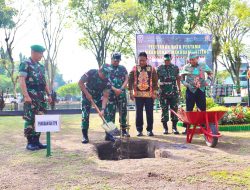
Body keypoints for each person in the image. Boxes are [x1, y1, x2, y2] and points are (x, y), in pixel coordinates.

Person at [19, 45, 52, 151]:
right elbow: (22, 80)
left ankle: (37, 141)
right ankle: (30, 142)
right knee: (30, 118)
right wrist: (26, 95)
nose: (42, 56)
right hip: (31, 96)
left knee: (40, 118)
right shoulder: (25, 64)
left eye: (42, 53)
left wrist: (49, 94)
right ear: (33, 52)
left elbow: (44, 82)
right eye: (40, 53)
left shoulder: (41, 66)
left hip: (41, 96)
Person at [78, 64, 112, 143]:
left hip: (98, 96)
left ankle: (108, 134)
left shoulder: (108, 82)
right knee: (85, 114)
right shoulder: (91, 73)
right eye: (104, 74)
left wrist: (103, 109)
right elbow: (80, 83)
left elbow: (106, 96)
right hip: (86, 94)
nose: (105, 76)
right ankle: (85, 136)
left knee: (106, 112)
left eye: (107, 75)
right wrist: (87, 94)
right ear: (100, 71)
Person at [181, 53, 212, 134]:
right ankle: (187, 128)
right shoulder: (186, 67)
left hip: (201, 89)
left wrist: (208, 81)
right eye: (190, 60)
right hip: (190, 90)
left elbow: (210, 73)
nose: (191, 61)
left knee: (202, 108)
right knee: (189, 109)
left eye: (193, 59)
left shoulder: (203, 65)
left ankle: (204, 126)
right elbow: (182, 78)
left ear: (197, 58)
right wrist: (186, 84)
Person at [128, 52, 158, 136]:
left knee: (149, 113)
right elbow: (130, 81)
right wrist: (131, 92)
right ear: (138, 60)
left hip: (149, 95)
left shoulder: (152, 69)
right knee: (139, 113)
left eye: (143, 60)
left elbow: (156, 82)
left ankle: (149, 130)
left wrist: (155, 93)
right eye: (140, 60)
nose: (141, 62)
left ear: (146, 60)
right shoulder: (134, 69)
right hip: (138, 95)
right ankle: (139, 130)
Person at [104, 52, 130, 137]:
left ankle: (124, 131)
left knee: (123, 113)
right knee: (110, 114)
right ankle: (109, 133)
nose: (116, 62)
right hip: (110, 95)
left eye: (118, 60)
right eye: (115, 60)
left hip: (121, 94)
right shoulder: (107, 68)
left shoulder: (122, 68)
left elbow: (126, 79)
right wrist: (115, 89)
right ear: (111, 59)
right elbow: (105, 81)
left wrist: (121, 88)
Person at [157, 53, 181, 135]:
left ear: (170, 59)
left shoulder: (175, 68)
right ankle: (165, 128)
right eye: (165, 60)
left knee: (174, 109)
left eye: (168, 60)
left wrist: (179, 89)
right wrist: (157, 88)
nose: (166, 61)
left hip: (173, 92)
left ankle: (174, 127)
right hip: (163, 93)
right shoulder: (159, 68)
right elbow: (155, 80)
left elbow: (178, 78)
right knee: (164, 110)